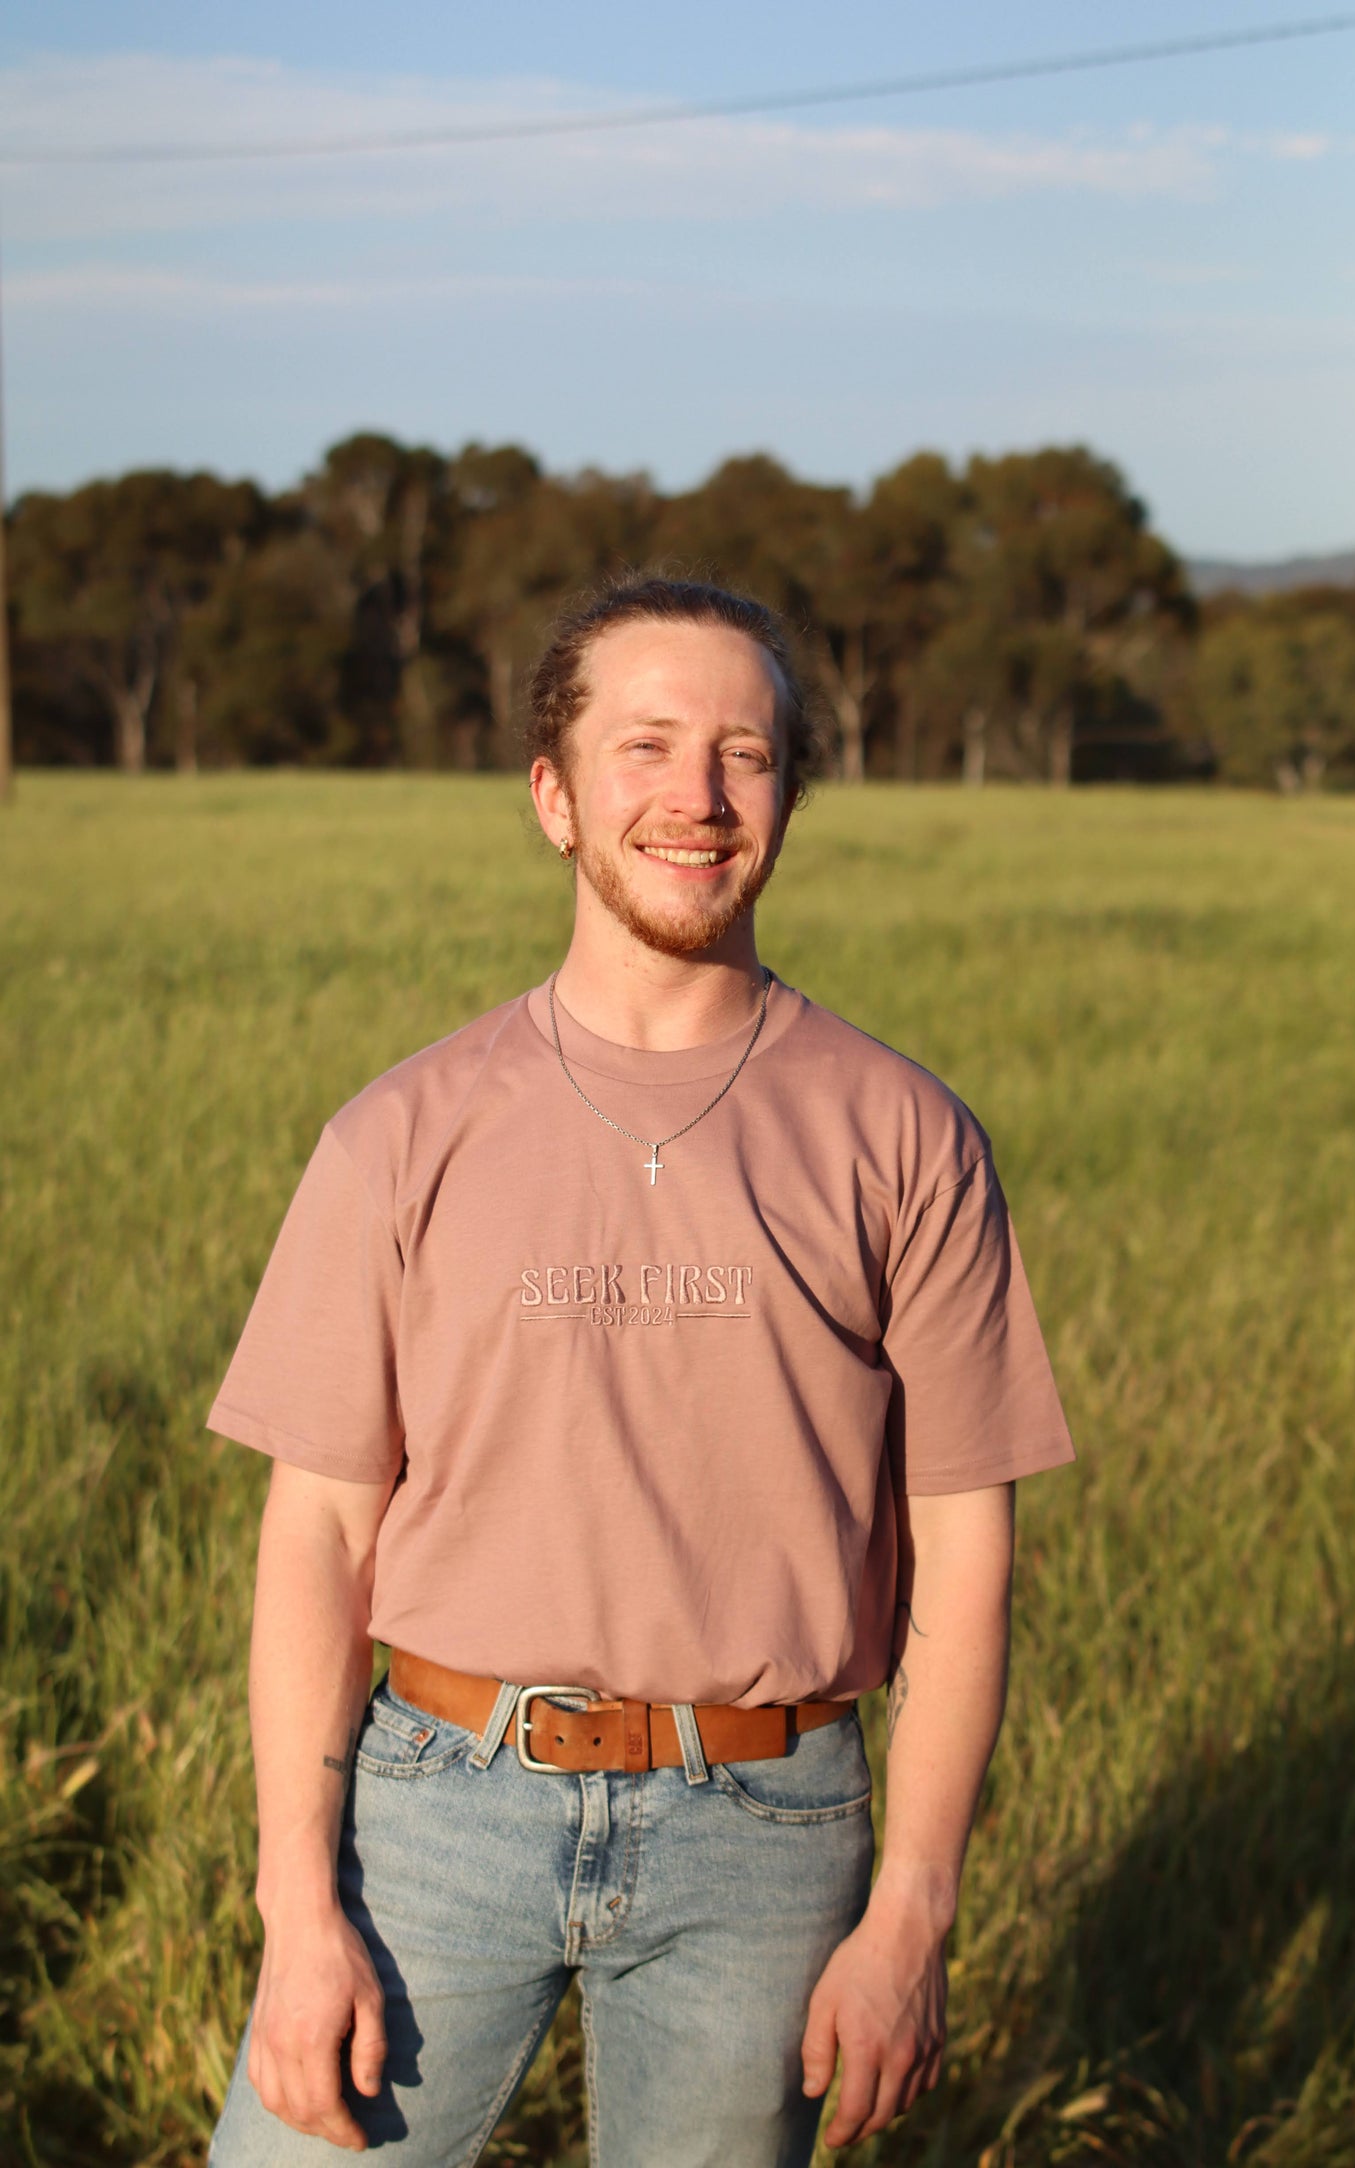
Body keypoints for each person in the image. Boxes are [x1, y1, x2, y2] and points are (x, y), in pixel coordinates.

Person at [206, 576, 1074, 2168]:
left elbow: (963, 1544)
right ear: (554, 795)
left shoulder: (906, 1136)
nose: (695, 798)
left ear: (789, 798)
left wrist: (909, 1919)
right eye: (645, 748)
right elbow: (317, 1531)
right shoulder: (399, 1134)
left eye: (743, 755)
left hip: (766, 1835)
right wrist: (295, 1905)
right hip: (435, 1810)